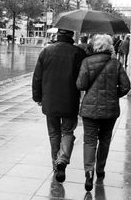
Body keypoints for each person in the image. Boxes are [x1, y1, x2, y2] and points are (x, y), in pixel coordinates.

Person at [76, 34, 130, 192]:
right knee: (105, 139)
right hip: (110, 110)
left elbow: (80, 84)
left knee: (90, 141)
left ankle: (88, 172)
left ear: (95, 46)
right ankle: (100, 169)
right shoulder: (116, 63)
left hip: (90, 110)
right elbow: (126, 86)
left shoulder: (86, 62)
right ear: (109, 46)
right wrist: (114, 95)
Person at [32, 28, 86, 183]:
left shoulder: (46, 51)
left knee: (54, 133)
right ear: (72, 35)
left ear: (58, 35)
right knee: (68, 131)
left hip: (50, 99)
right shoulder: (78, 53)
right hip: (70, 99)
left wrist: (37, 97)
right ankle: (62, 160)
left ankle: (55, 164)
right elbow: (83, 79)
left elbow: (37, 77)